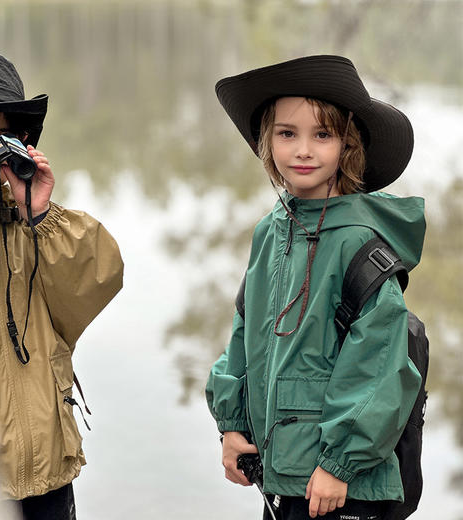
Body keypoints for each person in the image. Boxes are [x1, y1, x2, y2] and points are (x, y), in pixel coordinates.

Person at [206, 55, 425, 519]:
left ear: (347, 146)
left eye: (321, 135)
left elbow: (381, 364)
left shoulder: (359, 243)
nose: (303, 150)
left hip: (343, 487)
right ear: (266, 142)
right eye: (287, 133)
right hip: (282, 477)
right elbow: (245, 333)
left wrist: (338, 463)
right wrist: (231, 426)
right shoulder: (270, 232)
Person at [0, 49, 124, 519]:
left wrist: (42, 212)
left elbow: (96, 282)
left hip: (45, 469)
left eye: (2, 135)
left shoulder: (32, 222)